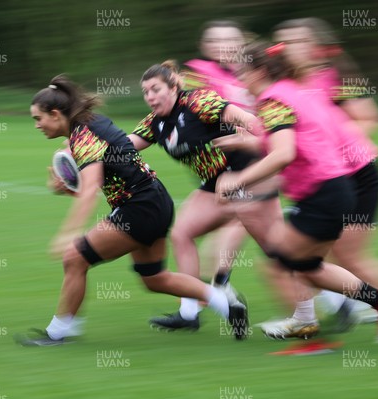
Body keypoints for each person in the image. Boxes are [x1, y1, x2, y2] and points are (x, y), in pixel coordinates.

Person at [19, 75, 246, 346]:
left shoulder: (83, 136)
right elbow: (91, 181)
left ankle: (59, 332)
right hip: (155, 200)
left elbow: (90, 189)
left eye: (38, 119)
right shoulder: (91, 123)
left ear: (56, 114)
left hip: (138, 207)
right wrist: (61, 185)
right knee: (154, 278)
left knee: (74, 258)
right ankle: (225, 302)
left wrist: (69, 233)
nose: (37, 126)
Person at [215, 40, 378, 342]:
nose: (238, 81)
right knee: (306, 265)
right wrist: (247, 142)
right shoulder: (291, 90)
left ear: (260, 71)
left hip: (323, 193)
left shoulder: (272, 100)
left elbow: (283, 153)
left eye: (242, 73)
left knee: (281, 259)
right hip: (333, 189)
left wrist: (238, 180)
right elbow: (301, 139)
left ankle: (311, 328)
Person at [260, 18, 378, 341]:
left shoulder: (337, 76)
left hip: (357, 175)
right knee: (312, 255)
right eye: (282, 41)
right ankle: (339, 308)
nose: (285, 47)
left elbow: (369, 118)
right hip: (329, 179)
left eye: (295, 40)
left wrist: (331, 149)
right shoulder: (290, 83)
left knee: (345, 255)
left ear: (316, 46)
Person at [129, 61, 282, 333]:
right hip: (215, 184)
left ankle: (337, 299)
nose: (150, 97)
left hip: (249, 175)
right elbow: (126, 146)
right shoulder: (156, 122)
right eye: (145, 92)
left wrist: (250, 137)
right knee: (181, 234)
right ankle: (190, 313)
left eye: (155, 89)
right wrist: (88, 146)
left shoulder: (199, 102)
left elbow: (249, 120)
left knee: (278, 250)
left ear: (174, 87)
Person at [182, 20, 282, 294]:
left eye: (230, 40)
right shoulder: (198, 73)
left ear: (241, 44)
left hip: (256, 159)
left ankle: (217, 287)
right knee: (261, 232)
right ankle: (210, 291)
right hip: (222, 162)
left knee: (263, 232)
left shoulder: (255, 72)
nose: (223, 46)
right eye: (215, 41)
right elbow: (191, 106)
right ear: (205, 46)